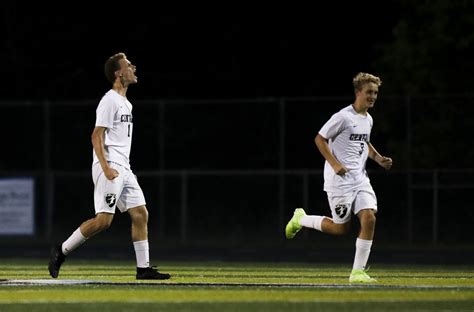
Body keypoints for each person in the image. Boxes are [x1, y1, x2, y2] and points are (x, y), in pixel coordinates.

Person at [48, 52, 170, 280]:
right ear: (118, 73)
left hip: (125, 167)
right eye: (128, 65)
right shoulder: (109, 100)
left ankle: (143, 269)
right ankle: (61, 251)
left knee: (140, 213)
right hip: (110, 166)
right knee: (103, 221)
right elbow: (96, 136)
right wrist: (105, 168)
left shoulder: (126, 103)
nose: (133, 67)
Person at [285, 72, 392, 283]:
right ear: (358, 92)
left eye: (376, 93)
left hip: (360, 179)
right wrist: (335, 164)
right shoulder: (343, 117)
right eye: (369, 92)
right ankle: (301, 219)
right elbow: (319, 139)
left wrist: (378, 158)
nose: (373, 96)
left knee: (369, 217)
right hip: (339, 182)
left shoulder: (368, 119)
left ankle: (357, 272)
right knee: (340, 228)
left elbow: (364, 143)